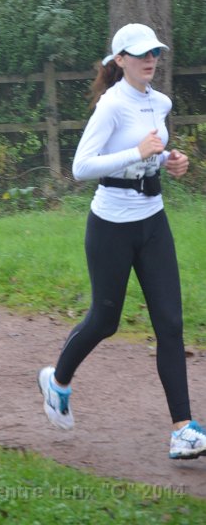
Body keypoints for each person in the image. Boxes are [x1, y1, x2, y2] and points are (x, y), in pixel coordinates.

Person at [38, 23, 206, 460]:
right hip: (111, 225)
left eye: (155, 52)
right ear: (120, 60)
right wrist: (138, 153)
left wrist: (170, 161)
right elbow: (81, 167)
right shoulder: (111, 105)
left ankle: (183, 430)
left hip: (153, 221)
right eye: (141, 53)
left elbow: (152, 152)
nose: (150, 59)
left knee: (170, 323)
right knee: (105, 320)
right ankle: (57, 381)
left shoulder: (160, 102)